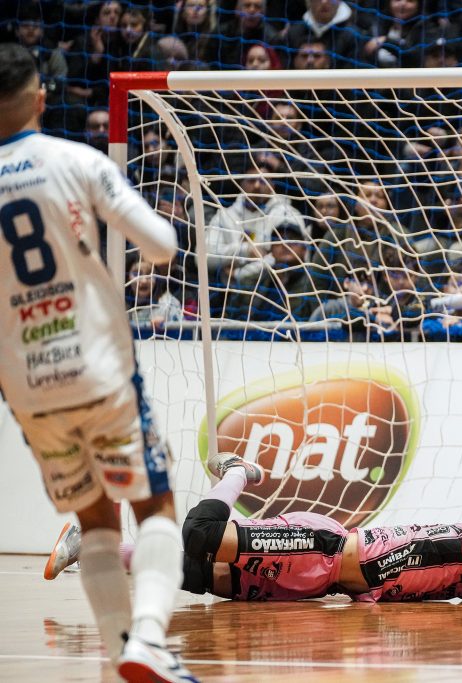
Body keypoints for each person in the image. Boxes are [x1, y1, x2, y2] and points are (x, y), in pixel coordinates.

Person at [0, 44, 195, 682]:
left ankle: (122, 658)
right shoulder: (74, 159)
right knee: (154, 507)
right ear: (40, 98)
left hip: (27, 388)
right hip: (99, 369)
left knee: (92, 520)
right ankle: (147, 641)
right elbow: (163, 245)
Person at [47, 454, 462, 607]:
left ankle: (94, 547)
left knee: (201, 578)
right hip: (324, 544)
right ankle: (235, 474)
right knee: (204, 537)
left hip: (321, 586)